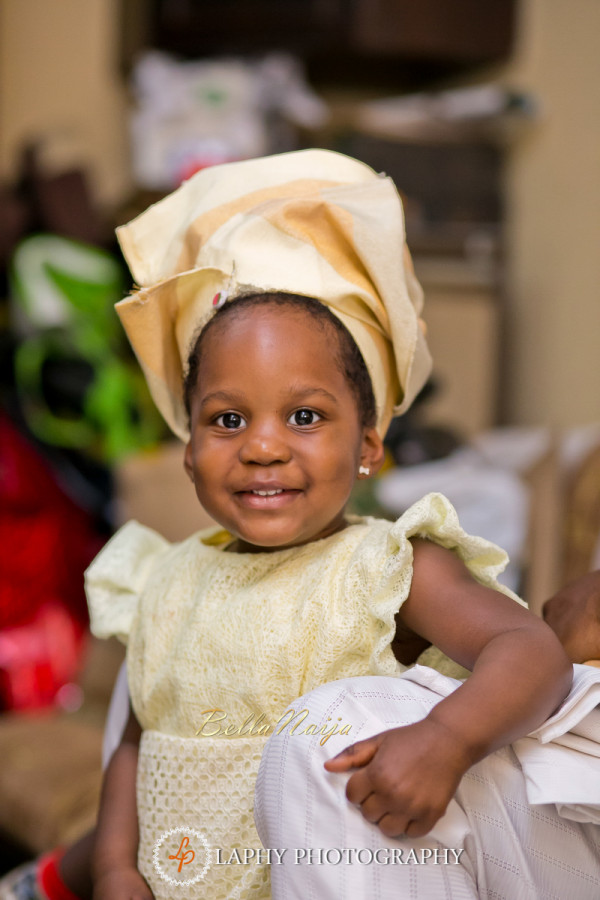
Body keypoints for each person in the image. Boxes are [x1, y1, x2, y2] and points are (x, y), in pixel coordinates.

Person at [74, 149, 598, 900]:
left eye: (305, 415)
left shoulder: (386, 565)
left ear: (369, 447)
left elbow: (531, 652)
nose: (261, 446)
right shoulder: (162, 576)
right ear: (188, 452)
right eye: (227, 419)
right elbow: (134, 741)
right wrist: (117, 867)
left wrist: (447, 739)